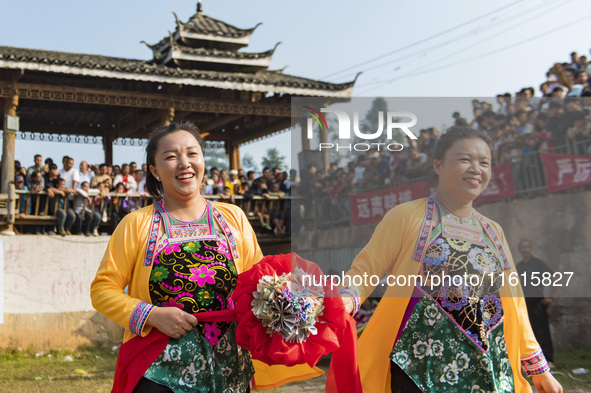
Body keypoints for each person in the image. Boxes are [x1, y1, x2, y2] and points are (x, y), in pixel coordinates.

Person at [91, 122, 319, 393]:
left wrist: (296, 303)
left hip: (230, 368)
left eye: (192, 153)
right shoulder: (136, 224)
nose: (184, 163)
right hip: (159, 369)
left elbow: (262, 284)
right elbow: (103, 290)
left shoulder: (233, 218)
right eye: (170, 157)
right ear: (154, 170)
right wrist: (151, 315)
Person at [340, 127, 562, 393]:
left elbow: (514, 301)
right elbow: (366, 270)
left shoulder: (493, 231)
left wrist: (539, 368)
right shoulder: (407, 216)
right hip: (421, 363)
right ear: (438, 165)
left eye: (485, 163)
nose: (476, 169)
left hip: (489, 365)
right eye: (465, 159)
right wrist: (346, 298)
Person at [516, 240, 555, 364]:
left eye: (527, 247)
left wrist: (550, 298)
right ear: (519, 250)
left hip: (538, 302)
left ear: (531, 248)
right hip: (524, 304)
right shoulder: (519, 266)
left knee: (542, 332)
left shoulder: (538, 264)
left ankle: (547, 360)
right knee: (527, 332)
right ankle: (530, 360)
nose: (525, 249)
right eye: (523, 247)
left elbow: (554, 278)